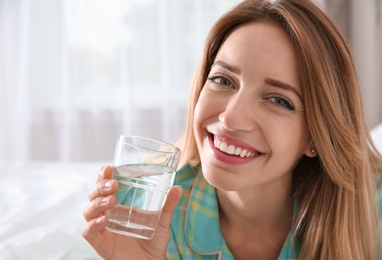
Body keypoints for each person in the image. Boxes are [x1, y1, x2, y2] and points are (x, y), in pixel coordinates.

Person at [82, 0, 382, 259]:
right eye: (223, 80)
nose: (231, 119)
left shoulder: (373, 216)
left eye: (278, 100)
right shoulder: (142, 210)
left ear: (318, 135)